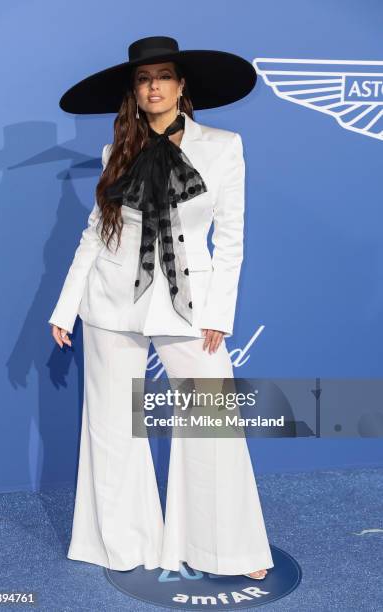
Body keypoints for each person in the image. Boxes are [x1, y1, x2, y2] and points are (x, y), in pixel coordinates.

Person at [49, 36, 274, 579]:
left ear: (180, 85)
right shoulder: (115, 152)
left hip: (191, 307)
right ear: (135, 90)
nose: (154, 86)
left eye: (164, 75)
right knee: (110, 426)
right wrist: (65, 307)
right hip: (110, 303)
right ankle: (124, 545)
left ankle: (228, 550)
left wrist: (220, 313)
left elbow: (234, 236)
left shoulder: (223, 146)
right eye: (144, 78)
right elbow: (94, 236)